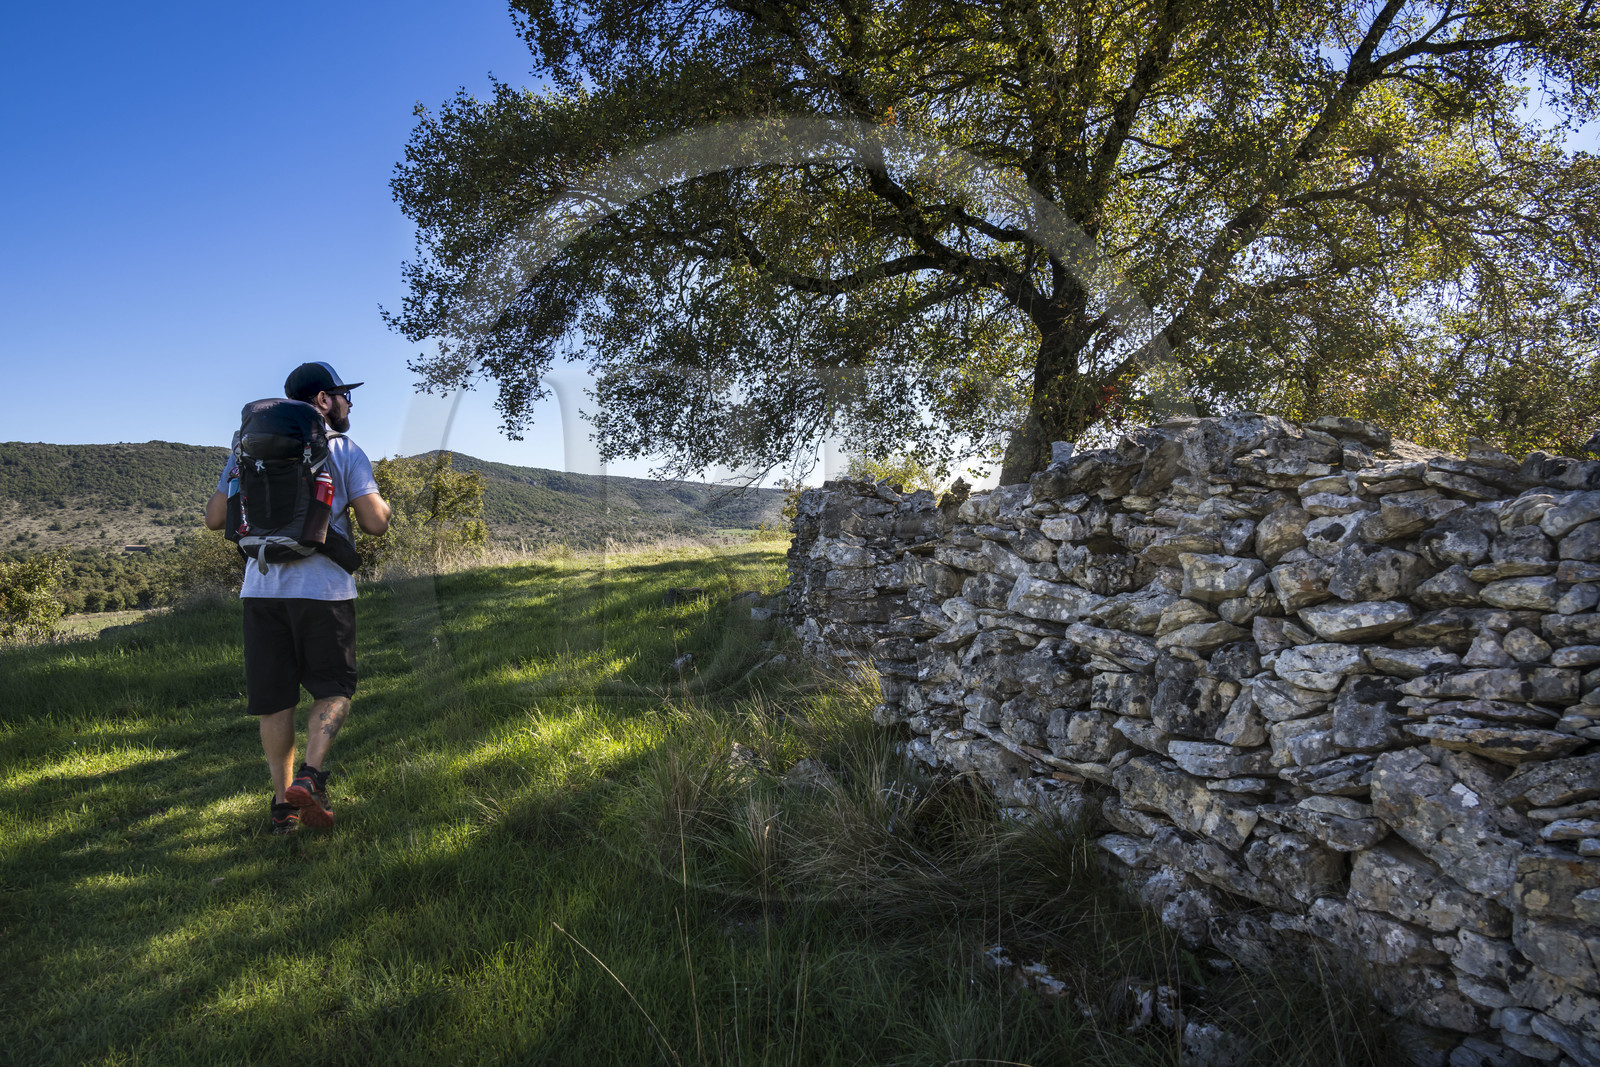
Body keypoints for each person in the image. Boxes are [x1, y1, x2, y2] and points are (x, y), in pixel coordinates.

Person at [205, 362, 392, 834]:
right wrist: (376, 501)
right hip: (324, 591)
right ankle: (310, 775)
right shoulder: (343, 448)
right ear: (325, 400)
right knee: (334, 689)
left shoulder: (246, 450)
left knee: (275, 701)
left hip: (261, 589)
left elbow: (213, 518)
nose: (349, 403)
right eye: (344, 395)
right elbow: (375, 523)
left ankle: (281, 810)